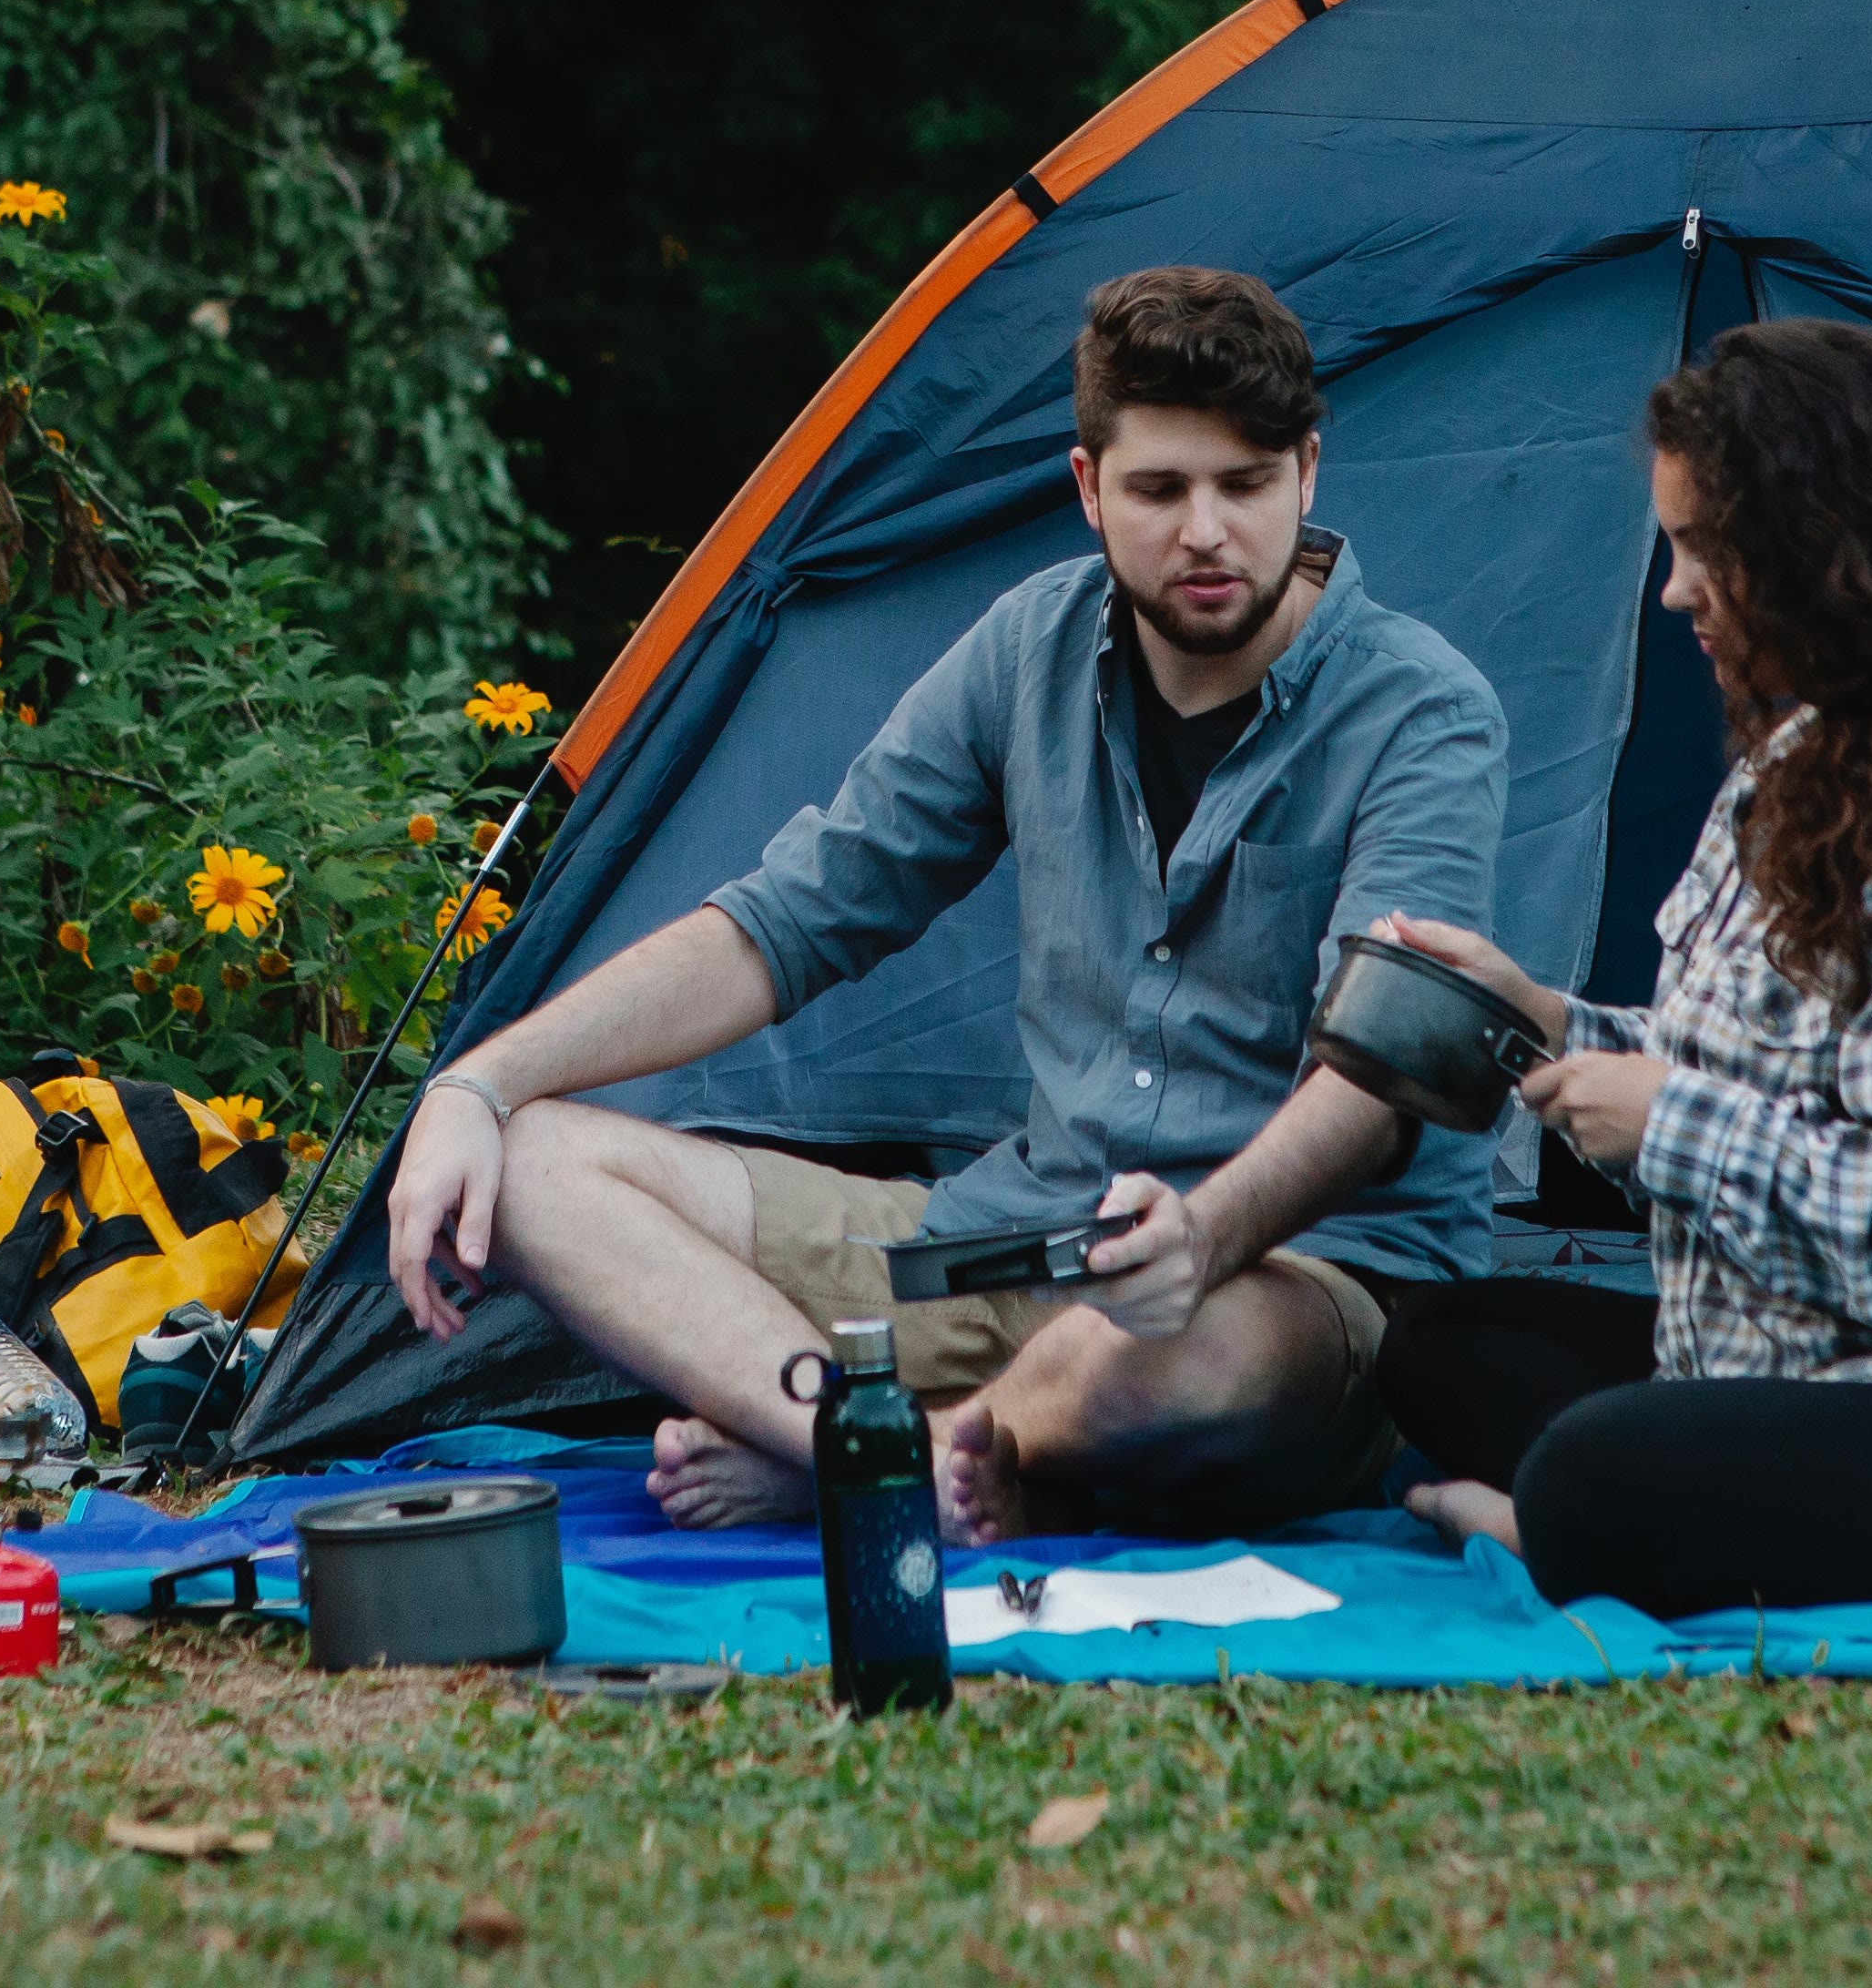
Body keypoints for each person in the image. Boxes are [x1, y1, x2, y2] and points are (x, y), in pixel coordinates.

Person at [382, 265, 1509, 1540]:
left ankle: (853, 1457)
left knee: (1205, 1362)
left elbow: (1378, 1088)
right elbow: (795, 917)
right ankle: (906, 1461)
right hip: (1014, 1244)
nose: (1207, 532)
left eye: (1245, 485)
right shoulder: (1028, 647)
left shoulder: (1424, 711)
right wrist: (478, 1082)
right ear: (1088, 490)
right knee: (532, 1165)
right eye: (1159, 489)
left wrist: (1205, 1233)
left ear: (1308, 472)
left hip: (1285, 1281)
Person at [1368, 317, 1872, 1618]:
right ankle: (1645, 1508)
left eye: (1703, 552)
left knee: (1590, 1471)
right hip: (1793, 1355)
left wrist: (1670, 1127)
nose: (1675, 591)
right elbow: (1746, 1051)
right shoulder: (1801, 760)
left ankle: (1564, 1526)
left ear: (1816, 556)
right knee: (1438, 1344)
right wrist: (1539, 1015)